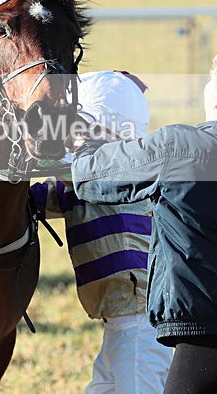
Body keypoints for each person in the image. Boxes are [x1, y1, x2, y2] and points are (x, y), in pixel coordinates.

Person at [71, 44, 217, 393]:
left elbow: (88, 178)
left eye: (212, 80)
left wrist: (84, 129)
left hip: (206, 347)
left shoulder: (178, 147)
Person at [30, 71, 172, 394]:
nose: (68, 135)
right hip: (119, 322)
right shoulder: (77, 182)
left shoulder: (121, 172)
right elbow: (40, 198)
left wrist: (37, 156)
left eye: (80, 126)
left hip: (140, 321)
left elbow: (79, 174)